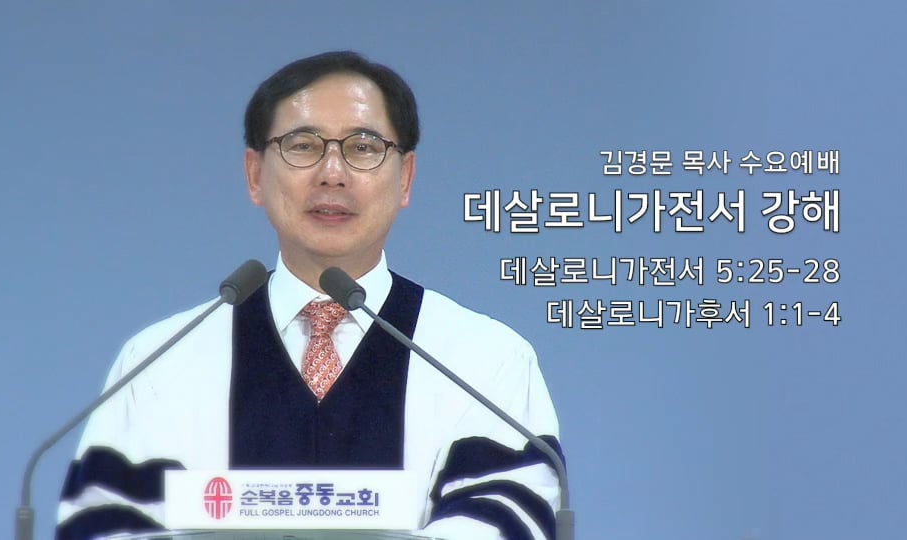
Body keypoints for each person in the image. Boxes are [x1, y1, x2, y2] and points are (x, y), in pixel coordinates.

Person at [56, 51, 562, 540]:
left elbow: (507, 519)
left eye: (363, 147)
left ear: (405, 178)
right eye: (302, 146)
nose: (332, 173)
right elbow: (104, 523)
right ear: (255, 175)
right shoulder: (160, 362)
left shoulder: (484, 361)